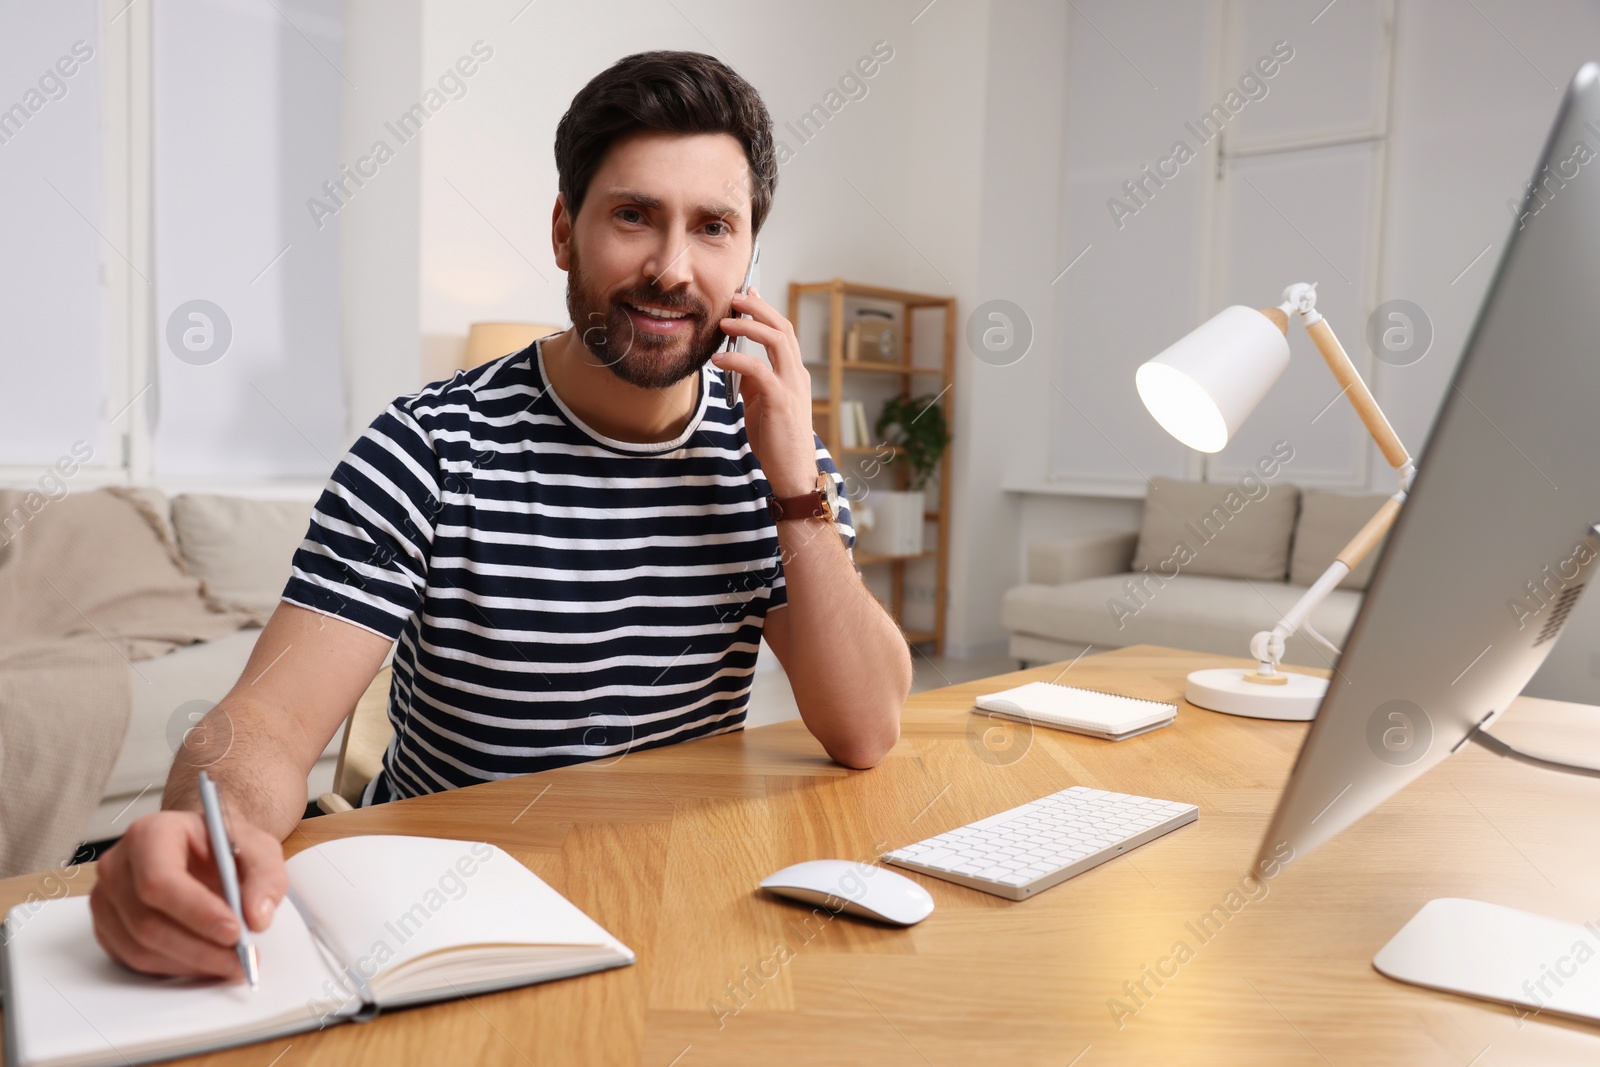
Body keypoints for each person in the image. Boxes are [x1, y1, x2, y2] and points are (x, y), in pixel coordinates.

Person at [89, 50, 913, 980]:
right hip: (448, 916)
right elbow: (268, 729)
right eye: (633, 215)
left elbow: (867, 728)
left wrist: (796, 485)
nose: (671, 268)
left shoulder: (776, 457)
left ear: (748, 257)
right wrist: (205, 832)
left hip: (673, 900)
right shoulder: (426, 447)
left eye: (713, 227)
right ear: (565, 231)